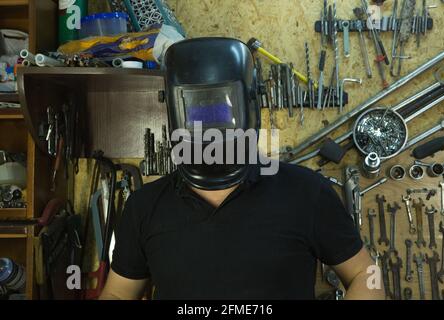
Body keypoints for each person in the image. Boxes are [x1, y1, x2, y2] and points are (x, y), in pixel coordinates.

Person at [100, 37, 384, 300]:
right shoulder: (144, 207)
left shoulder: (307, 193)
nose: (209, 128)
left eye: (222, 110)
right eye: (196, 110)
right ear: (172, 110)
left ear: (250, 104)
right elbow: (117, 294)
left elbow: (366, 275)